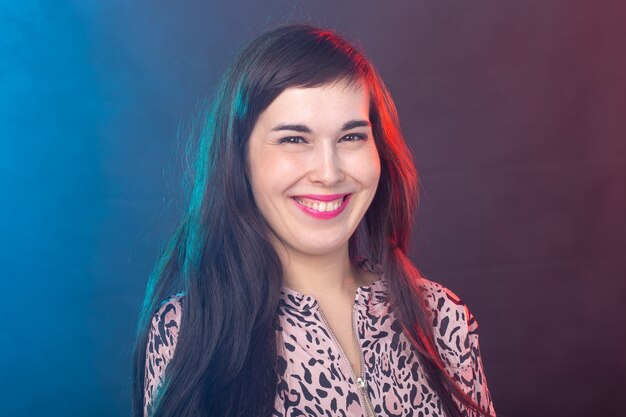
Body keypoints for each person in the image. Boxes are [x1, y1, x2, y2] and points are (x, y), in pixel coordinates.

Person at [132, 23, 497, 417]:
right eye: (294, 139)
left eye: (351, 137)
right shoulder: (188, 335)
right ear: (240, 159)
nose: (328, 172)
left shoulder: (443, 320)